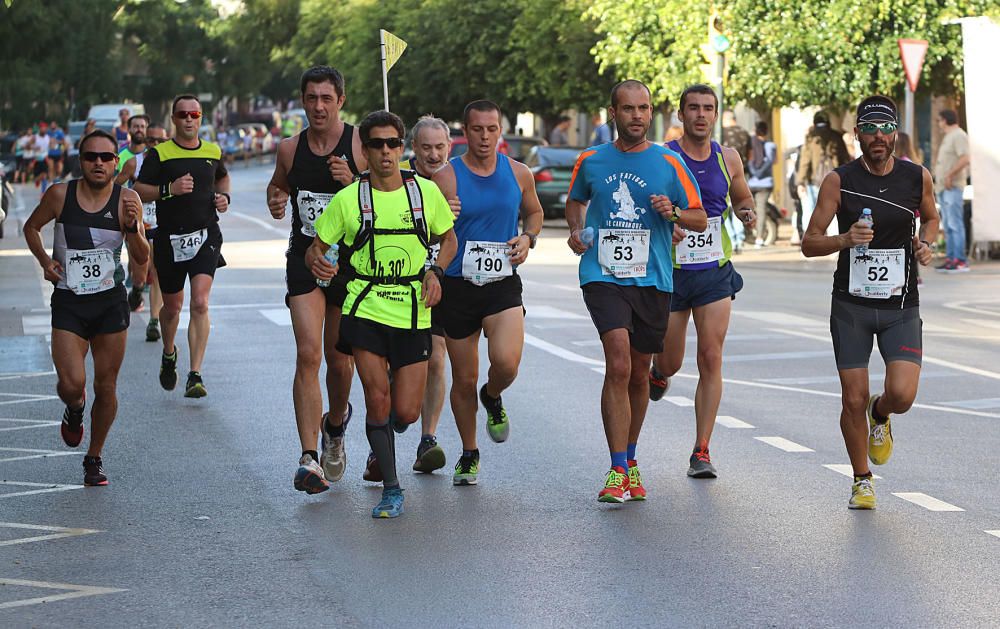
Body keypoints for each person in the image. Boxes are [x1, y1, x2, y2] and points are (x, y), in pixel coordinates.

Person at [306, 110, 457, 518]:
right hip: (365, 305)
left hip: (412, 309)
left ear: (402, 147)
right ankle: (391, 489)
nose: (386, 152)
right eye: (377, 144)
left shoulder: (424, 192)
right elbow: (315, 248)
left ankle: (383, 437)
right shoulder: (349, 199)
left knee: (406, 411)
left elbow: (449, 239)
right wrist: (318, 262)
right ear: (364, 150)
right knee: (377, 396)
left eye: (393, 143)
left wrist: (437, 272)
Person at [567, 79, 706, 503]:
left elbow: (700, 218)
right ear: (613, 113)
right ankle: (615, 469)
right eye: (628, 109)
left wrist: (676, 211)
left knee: (641, 372)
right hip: (603, 275)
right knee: (620, 363)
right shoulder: (591, 160)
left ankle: (630, 457)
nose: (637, 116)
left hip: (654, 279)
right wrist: (576, 230)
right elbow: (576, 201)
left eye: (644, 108)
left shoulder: (669, 162)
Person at [802, 95, 939, 510]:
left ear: (895, 133)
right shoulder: (838, 181)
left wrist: (925, 242)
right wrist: (844, 240)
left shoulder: (917, 177)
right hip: (851, 307)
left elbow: (931, 217)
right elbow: (810, 241)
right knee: (852, 398)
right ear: (857, 133)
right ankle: (862, 479)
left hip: (901, 305)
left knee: (901, 394)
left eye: (885, 128)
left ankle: (882, 416)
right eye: (869, 128)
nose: (878, 137)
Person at [23, 129, 150, 486]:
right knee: (71, 382)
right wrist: (45, 261)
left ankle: (94, 456)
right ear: (81, 161)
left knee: (106, 386)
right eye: (91, 156)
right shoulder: (60, 195)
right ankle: (74, 408)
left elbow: (142, 258)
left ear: (116, 163)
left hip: (110, 303)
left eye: (106, 157)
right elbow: (31, 228)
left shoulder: (127, 199)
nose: (99, 163)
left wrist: (134, 229)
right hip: (69, 301)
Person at [432, 100, 544, 486]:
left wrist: (528, 238)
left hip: (501, 284)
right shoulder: (446, 177)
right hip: (458, 285)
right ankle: (469, 451)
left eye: (491, 129)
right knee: (463, 378)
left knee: (507, 363)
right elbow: (426, 230)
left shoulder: (519, 173)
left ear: (500, 131)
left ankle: (493, 395)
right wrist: (441, 213)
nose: (484, 137)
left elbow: (535, 213)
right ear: (465, 131)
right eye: (476, 129)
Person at [266, 66, 365, 494]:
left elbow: (388, 192)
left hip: (351, 266)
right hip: (305, 261)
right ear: (303, 101)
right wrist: (276, 199)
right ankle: (308, 457)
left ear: (341, 100)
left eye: (327, 98)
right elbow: (278, 187)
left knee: (340, 362)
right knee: (308, 354)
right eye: (311, 98)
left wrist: (356, 181)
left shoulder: (360, 142)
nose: (319, 106)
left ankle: (335, 425)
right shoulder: (290, 149)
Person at [648, 84, 755, 479]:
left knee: (711, 356)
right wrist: (669, 222)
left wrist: (746, 213)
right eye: (693, 108)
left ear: (715, 114)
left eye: (708, 108)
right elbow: (648, 205)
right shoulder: (663, 157)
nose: (700, 115)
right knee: (672, 361)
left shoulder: (728, 157)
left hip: (714, 268)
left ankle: (702, 449)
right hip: (672, 272)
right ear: (680, 114)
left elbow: (741, 196)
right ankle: (659, 373)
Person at [134, 94, 230, 398]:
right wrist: (168, 190)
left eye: (194, 114)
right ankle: (169, 351)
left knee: (200, 302)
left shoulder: (213, 151)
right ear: (174, 119)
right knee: (172, 307)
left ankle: (195, 373)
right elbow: (138, 190)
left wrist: (224, 198)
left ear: (201, 118)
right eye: (183, 114)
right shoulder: (160, 154)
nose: (189, 119)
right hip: (170, 238)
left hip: (206, 236)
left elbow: (223, 179)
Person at [400, 115, 456, 473]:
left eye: (440, 147)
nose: (434, 155)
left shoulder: (457, 178)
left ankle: (428, 438)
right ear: (413, 149)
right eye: (426, 148)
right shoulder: (397, 178)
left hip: (439, 279)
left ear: (449, 147)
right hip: (397, 280)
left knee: (437, 358)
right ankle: (396, 413)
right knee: (398, 362)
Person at [115, 114, 152, 312]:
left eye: (142, 126)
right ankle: (135, 279)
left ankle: (141, 284)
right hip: (134, 213)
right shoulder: (123, 158)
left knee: (151, 259)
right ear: (129, 130)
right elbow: (115, 184)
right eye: (135, 126)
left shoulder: (155, 155)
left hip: (157, 217)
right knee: (135, 252)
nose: (139, 129)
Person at [796, 111, 850, 239]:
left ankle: (810, 239)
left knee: (810, 211)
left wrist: (800, 182)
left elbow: (805, 161)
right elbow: (845, 159)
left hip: (814, 180)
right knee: (833, 211)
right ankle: (833, 243)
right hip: (834, 179)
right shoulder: (836, 137)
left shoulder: (811, 138)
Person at [933, 109, 971, 274]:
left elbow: (965, 158)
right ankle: (951, 259)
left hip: (952, 186)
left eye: (939, 120)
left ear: (945, 120)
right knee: (948, 225)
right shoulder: (949, 136)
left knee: (955, 223)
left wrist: (949, 175)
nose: (939, 124)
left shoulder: (958, 135)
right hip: (943, 187)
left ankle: (960, 260)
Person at [747, 121, 776, 248]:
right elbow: (772, 161)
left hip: (751, 182)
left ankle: (748, 234)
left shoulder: (751, 144)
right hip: (765, 182)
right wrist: (760, 172)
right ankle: (759, 237)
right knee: (761, 210)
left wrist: (754, 172)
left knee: (748, 208)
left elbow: (748, 160)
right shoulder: (771, 145)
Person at [32, 124, 51, 191]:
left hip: (45, 158)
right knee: (38, 177)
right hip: (37, 159)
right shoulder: (35, 137)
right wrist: (34, 147)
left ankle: (43, 192)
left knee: (44, 175)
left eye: (45, 129)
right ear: (40, 129)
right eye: (42, 128)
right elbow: (29, 146)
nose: (44, 130)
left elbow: (50, 146)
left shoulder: (48, 137)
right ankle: (37, 180)